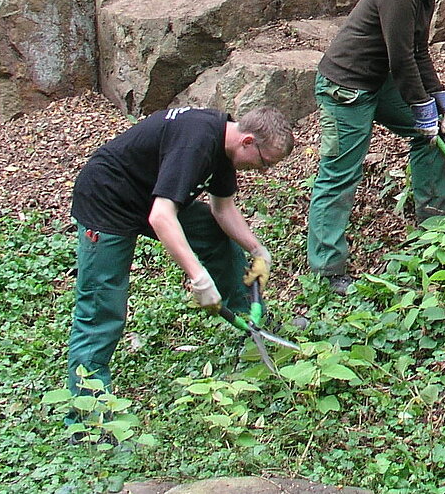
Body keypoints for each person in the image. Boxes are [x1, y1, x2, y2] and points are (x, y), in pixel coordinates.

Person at [67, 105, 293, 398]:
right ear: (247, 141)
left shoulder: (226, 144)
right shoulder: (196, 144)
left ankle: (252, 325)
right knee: (101, 310)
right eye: (265, 162)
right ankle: (88, 420)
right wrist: (199, 279)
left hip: (148, 195)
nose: (263, 170)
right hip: (108, 201)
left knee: (215, 235)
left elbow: (222, 210)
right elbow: (161, 217)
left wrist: (258, 250)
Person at [307, 0, 445, 292]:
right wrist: (420, 105)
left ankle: (435, 227)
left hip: (379, 81)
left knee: (433, 135)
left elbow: (419, 50)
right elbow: (401, 59)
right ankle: (327, 271)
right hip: (346, 87)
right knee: (340, 173)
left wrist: (438, 98)